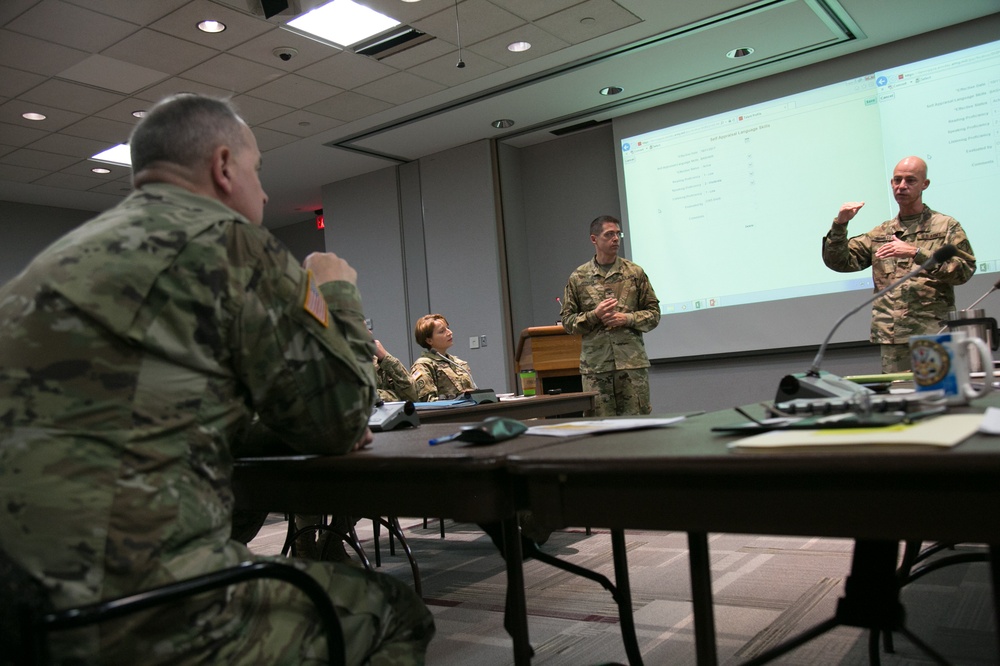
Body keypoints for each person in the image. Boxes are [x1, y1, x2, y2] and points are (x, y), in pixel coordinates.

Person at [0, 94, 433, 665]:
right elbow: (342, 419)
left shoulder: (52, 264)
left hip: (20, 609)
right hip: (131, 610)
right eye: (257, 170)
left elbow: (150, 416)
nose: (265, 192)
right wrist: (334, 291)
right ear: (224, 166)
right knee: (396, 611)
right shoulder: (231, 243)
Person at [822, 156, 977, 373]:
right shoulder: (880, 234)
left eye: (910, 180)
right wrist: (840, 224)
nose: (901, 186)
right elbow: (839, 262)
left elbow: (963, 271)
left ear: (925, 184)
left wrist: (917, 253)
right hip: (893, 337)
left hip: (933, 334)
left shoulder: (946, 227)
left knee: (938, 398)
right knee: (898, 398)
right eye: (897, 180)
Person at [561, 215, 661, 416]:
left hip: (631, 365)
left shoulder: (634, 273)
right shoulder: (578, 278)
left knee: (637, 430)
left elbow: (654, 314)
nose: (616, 239)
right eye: (609, 234)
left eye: (618, 234)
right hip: (596, 369)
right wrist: (594, 315)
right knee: (600, 432)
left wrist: (628, 319)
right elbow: (568, 322)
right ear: (594, 239)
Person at [410, 314, 476, 401]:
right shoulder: (423, 365)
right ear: (429, 340)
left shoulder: (459, 363)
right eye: (442, 331)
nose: (449, 332)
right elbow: (428, 401)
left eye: (448, 328)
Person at [375, 338, 418, 402]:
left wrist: (385, 358)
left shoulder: (379, 362)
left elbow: (411, 396)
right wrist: (397, 398)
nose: (369, 332)